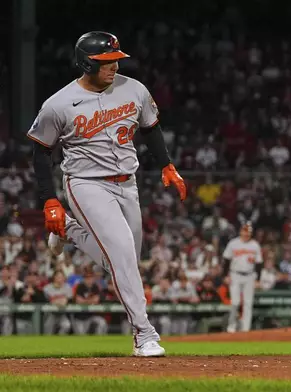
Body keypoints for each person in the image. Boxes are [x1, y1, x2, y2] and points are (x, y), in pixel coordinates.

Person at [28, 31, 186, 356]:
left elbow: (151, 128)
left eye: (116, 60)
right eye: (106, 62)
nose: (114, 66)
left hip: (128, 183)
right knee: (123, 254)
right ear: (86, 63)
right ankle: (144, 335)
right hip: (86, 184)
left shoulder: (134, 89)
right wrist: (49, 199)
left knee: (126, 260)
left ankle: (70, 231)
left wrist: (167, 165)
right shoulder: (58, 104)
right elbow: (40, 152)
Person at [222, 222, 263, 333]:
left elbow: (259, 263)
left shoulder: (255, 245)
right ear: (241, 231)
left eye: (248, 232)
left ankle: (246, 329)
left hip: (249, 275)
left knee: (248, 303)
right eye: (244, 231)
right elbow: (226, 260)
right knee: (235, 302)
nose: (246, 234)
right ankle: (232, 326)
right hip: (235, 274)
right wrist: (225, 275)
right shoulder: (233, 243)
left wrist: (258, 279)